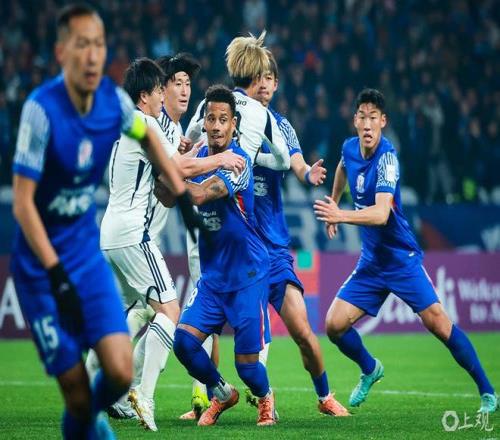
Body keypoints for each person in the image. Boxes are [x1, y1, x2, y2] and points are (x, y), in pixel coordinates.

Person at [10, 4, 188, 439]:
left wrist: (177, 176)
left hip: (92, 247)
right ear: (61, 52)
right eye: (82, 45)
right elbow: (22, 203)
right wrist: (55, 272)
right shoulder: (41, 111)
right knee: (77, 393)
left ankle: (111, 402)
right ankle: (113, 410)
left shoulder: (114, 104)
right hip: (45, 264)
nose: (92, 55)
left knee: (118, 368)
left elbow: (148, 138)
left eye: (99, 45)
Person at [314, 88, 498, 414]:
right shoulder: (349, 148)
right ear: (355, 120)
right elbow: (342, 167)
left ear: (383, 121)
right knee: (334, 325)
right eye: (362, 117)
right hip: (372, 262)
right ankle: (370, 368)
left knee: (439, 324)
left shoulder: (387, 159)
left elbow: (381, 214)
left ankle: (487, 391)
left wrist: (340, 215)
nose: (367, 124)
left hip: (401, 259)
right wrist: (335, 199)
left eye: (373, 118)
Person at [97, 58, 245, 431]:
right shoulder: (148, 123)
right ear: (146, 95)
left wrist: (190, 153)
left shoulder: (131, 125)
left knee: (131, 315)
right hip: (134, 233)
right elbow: (175, 170)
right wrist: (220, 157)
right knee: (169, 311)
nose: (166, 95)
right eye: (161, 89)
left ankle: (96, 393)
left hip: (110, 233)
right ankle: (142, 394)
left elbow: (173, 161)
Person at [245, 52, 349, 416]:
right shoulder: (235, 119)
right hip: (242, 248)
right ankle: (242, 399)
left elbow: (297, 162)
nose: (263, 84)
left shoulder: (281, 125)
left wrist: (308, 174)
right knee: (249, 335)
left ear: (276, 84)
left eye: (269, 78)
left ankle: (325, 396)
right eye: (257, 77)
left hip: (274, 249)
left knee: (303, 332)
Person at [172, 84, 277, 426]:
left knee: (247, 366)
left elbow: (201, 194)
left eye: (223, 119)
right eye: (210, 118)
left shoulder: (239, 162)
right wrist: (168, 168)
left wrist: (171, 171)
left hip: (247, 276)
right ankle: (221, 392)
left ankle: (265, 397)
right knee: (183, 343)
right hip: (214, 279)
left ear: (234, 124)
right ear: (203, 122)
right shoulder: (198, 157)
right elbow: (163, 192)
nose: (216, 126)